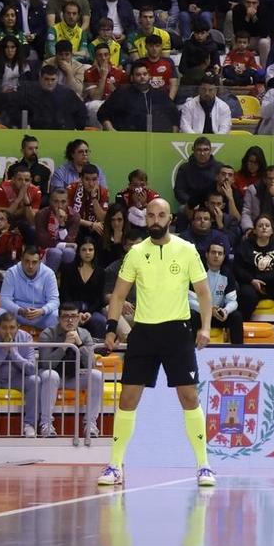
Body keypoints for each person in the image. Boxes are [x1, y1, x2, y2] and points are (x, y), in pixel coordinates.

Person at [99, 198, 214, 489]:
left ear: (170, 218)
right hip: (144, 333)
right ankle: (115, 465)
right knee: (127, 398)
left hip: (177, 332)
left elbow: (203, 292)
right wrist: (111, 328)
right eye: (150, 215)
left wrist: (206, 327)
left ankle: (204, 465)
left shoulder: (186, 250)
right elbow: (118, 295)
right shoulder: (136, 253)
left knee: (190, 398)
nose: (155, 219)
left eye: (161, 215)